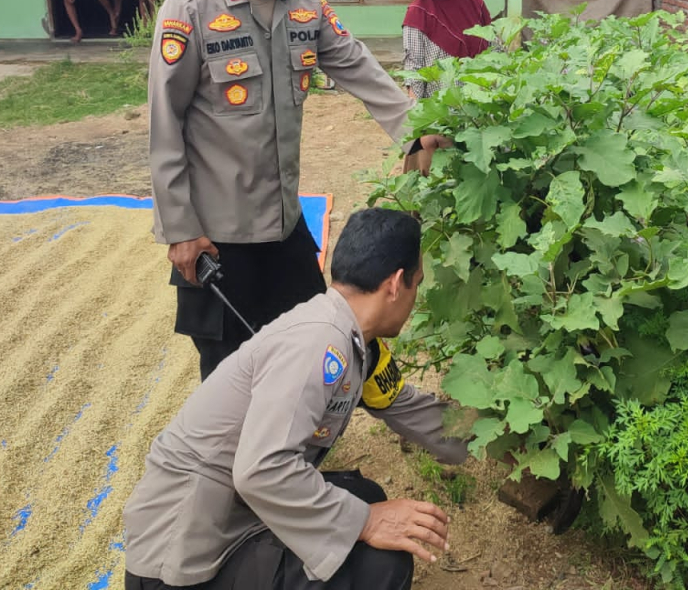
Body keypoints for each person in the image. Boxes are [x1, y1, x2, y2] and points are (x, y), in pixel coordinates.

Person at [149, 0, 427, 380]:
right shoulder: (191, 10)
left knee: (315, 351)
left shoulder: (305, 4)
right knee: (231, 374)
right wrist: (181, 230)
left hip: (284, 226)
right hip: (218, 238)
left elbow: (358, 66)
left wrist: (417, 130)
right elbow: (164, 125)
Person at [123, 207, 466, 590]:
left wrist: (490, 436)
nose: (416, 297)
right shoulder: (319, 342)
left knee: (364, 496)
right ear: (396, 284)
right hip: (181, 562)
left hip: (229, 515)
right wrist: (368, 523)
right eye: (417, 284)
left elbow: (403, 403)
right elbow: (261, 470)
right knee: (380, 566)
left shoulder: (351, 336)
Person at [402, 0, 492, 99]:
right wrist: (416, 109)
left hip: (480, 104)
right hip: (440, 107)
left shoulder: (476, 5)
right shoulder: (417, 15)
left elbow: (494, 51)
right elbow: (414, 69)